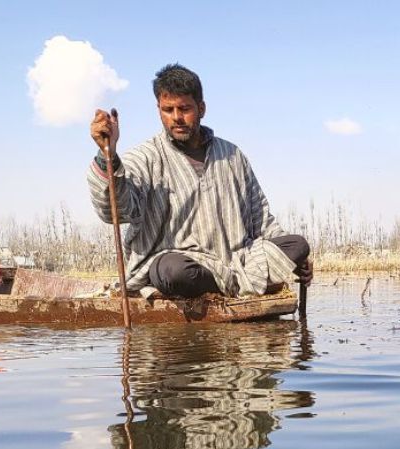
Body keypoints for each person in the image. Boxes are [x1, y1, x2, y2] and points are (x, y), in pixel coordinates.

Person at [87, 63, 311, 298]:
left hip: (236, 263)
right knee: (173, 271)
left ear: (201, 108)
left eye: (184, 108)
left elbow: (261, 219)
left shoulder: (232, 156)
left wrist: (298, 259)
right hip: (180, 265)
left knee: (298, 245)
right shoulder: (145, 157)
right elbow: (115, 212)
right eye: (168, 109)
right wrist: (108, 155)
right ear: (158, 109)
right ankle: (240, 287)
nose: (177, 118)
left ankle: (230, 286)